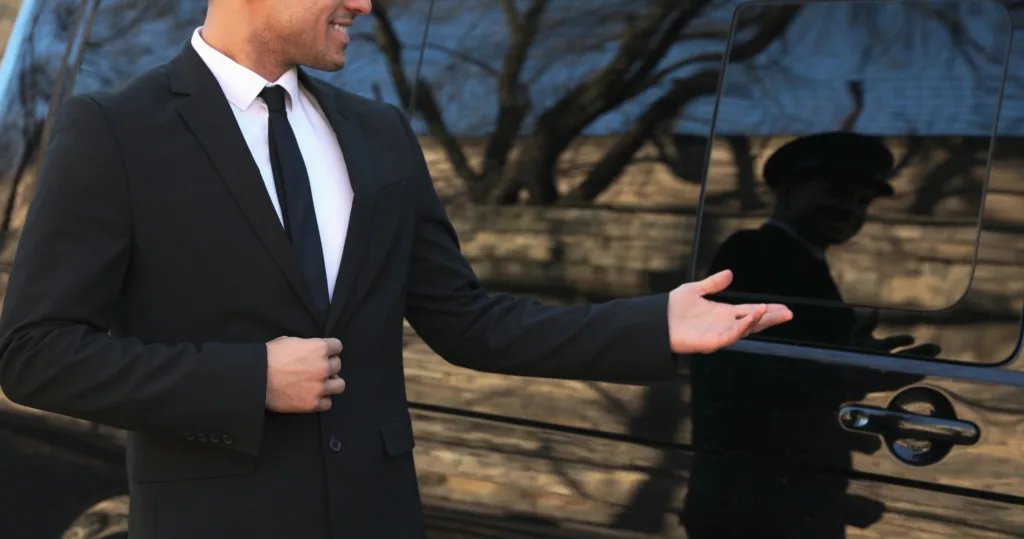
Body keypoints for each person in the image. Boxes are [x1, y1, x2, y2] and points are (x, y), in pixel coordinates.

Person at [0, 1, 791, 538]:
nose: (365, 2)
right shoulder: (113, 130)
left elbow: (465, 319)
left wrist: (653, 322)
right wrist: (249, 379)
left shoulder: (377, 132)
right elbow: (34, 352)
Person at [681, 131, 928, 538]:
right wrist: (848, 372)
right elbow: (735, 370)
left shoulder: (802, 261)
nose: (849, 208)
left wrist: (853, 357)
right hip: (749, 510)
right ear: (789, 193)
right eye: (836, 192)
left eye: (862, 201)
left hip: (782, 502)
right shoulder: (754, 252)